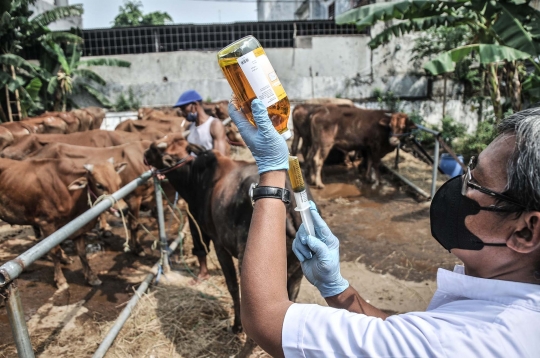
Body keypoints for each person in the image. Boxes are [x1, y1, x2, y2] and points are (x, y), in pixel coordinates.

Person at [229, 97, 540, 358]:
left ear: (526, 232)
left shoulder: (463, 343)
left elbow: (266, 318)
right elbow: (399, 330)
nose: (461, 187)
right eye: (468, 168)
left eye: (478, 182)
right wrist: (337, 288)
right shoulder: (519, 315)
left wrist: (271, 172)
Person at [174, 90, 229, 281]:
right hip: (195, 187)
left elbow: (220, 158)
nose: (182, 113)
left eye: (183, 108)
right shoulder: (190, 128)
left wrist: (195, 159)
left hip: (214, 184)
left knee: (221, 227)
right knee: (196, 227)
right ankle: (203, 270)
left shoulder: (214, 125)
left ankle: (229, 269)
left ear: (194, 105)